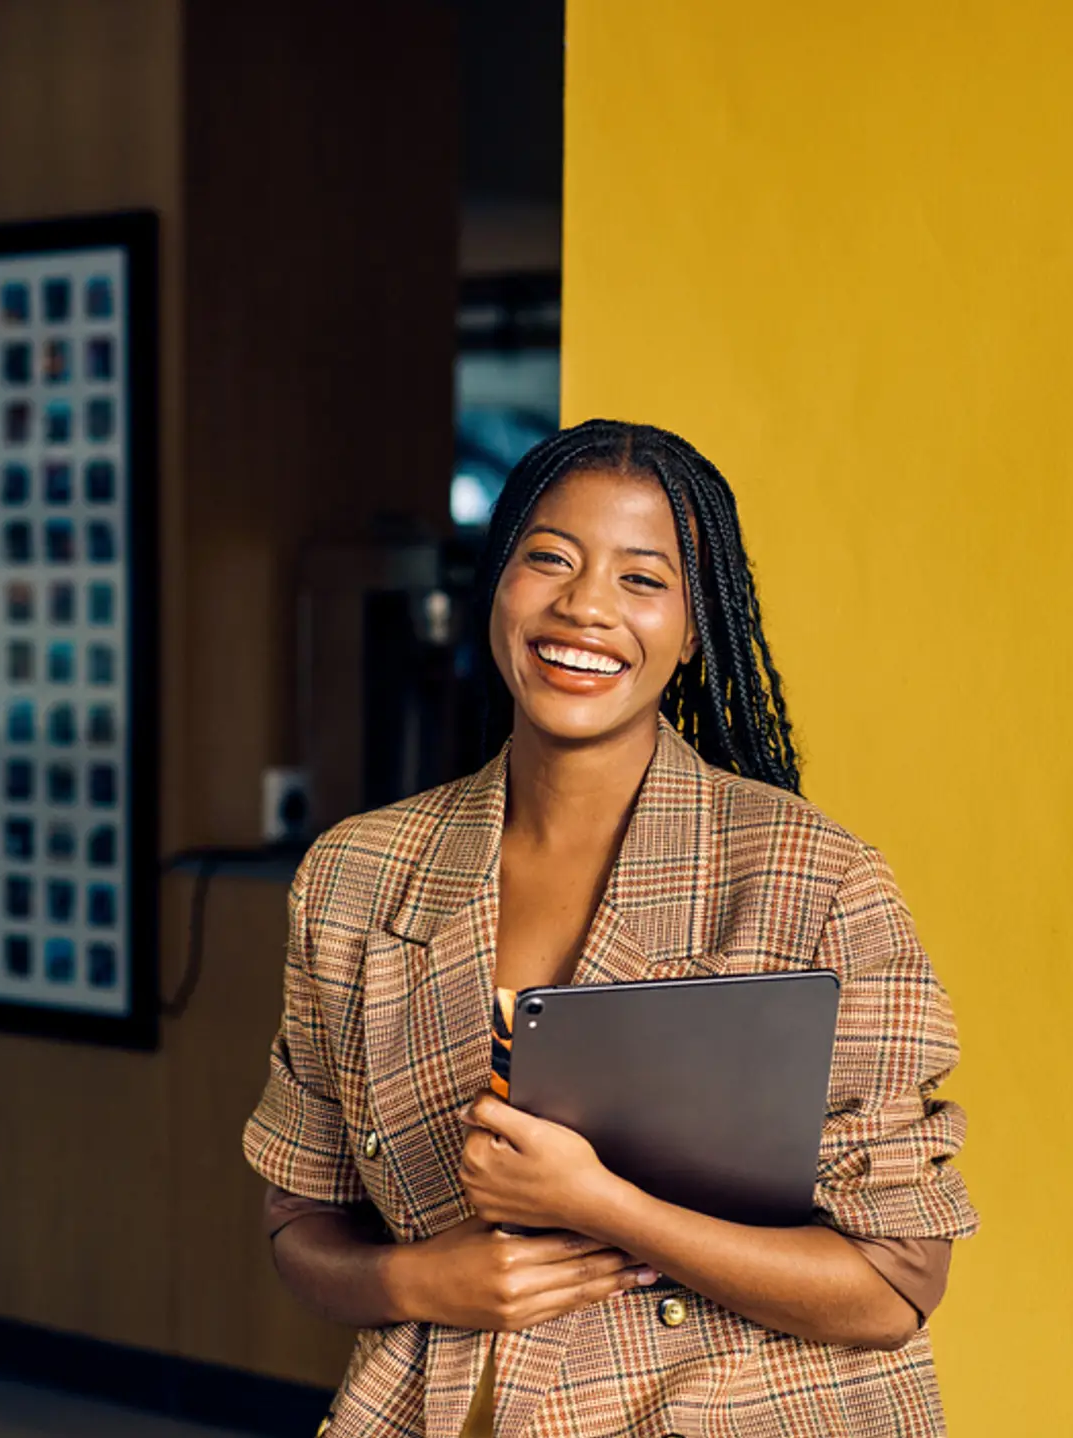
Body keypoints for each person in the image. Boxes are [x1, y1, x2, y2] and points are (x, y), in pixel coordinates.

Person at [243, 420, 976, 1437]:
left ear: (693, 630)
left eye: (642, 579)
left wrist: (605, 1205)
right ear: (497, 583)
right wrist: (422, 1279)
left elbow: (894, 1285)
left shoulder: (813, 880)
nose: (585, 606)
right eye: (549, 559)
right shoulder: (356, 876)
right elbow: (298, 1229)